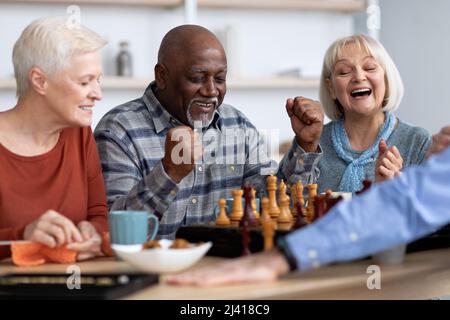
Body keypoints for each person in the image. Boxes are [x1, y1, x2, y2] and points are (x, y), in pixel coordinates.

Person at [94, 25, 323, 238]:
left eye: (220, 78)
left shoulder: (238, 125)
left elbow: (274, 206)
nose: (212, 91)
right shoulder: (119, 130)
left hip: (225, 271)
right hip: (149, 274)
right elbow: (113, 232)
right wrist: (169, 173)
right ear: (162, 76)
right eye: (197, 78)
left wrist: (305, 146)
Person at [166, 128, 450, 286]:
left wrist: (277, 259)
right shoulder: (319, 137)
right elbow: (411, 202)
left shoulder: (416, 140)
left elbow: (408, 204)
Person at [0, 17, 108, 260]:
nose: (98, 94)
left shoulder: (79, 133)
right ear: (40, 80)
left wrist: (93, 233)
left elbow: (98, 213)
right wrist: (23, 236)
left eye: (97, 80)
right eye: (85, 81)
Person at [280, 35, 431, 193]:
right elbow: (278, 206)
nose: (359, 77)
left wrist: (393, 194)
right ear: (331, 87)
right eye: (344, 72)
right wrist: (306, 148)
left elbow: (433, 212)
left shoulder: (417, 142)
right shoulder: (312, 142)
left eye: (370, 68)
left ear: (386, 80)